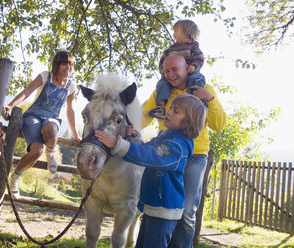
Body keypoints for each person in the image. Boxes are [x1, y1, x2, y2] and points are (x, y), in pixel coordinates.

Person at [95, 94, 207, 248]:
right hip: (152, 206)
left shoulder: (178, 146)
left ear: (187, 122)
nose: (169, 111)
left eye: (176, 111)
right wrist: (133, 137)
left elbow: (152, 156)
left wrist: (119, 145)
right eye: (171, 107)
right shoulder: (165, 137)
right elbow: (146, 148)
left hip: (164, 211)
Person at [143, 54, 226, 248]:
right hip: (168, 153)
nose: (170, 74)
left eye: (174, 69)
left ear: (187, 68)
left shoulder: (202, 89)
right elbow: (142, 115)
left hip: (195, 156)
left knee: (187, 212)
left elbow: (219, 125)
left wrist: (210, 99)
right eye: (166, 71)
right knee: (160, 207)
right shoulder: (161, 95)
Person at [3, 51, 81, 199]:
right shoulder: (46, 76)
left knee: (51, 129)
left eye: (71, 64)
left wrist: (76, 135)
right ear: (57, 65)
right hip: (33, 116)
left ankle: (51, 152)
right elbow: (27, 92)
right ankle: (15, 177)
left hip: (52, 118)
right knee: (37, 151)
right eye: (65, 63)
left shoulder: (71, 87)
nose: (68, 68)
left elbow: (70, 110)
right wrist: (10, 105)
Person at [149, 19, 205, 119]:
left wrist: (193, 66)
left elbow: (199, 58)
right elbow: (163, 59)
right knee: (162, 83)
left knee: (197, 79)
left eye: (176, 31)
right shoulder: (171, 48)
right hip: (174, 76)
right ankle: (161, 107)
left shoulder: (193, 47)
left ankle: (197, 103)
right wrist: (162, 68)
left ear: (186, 33)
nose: (173, 34)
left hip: (190, 73)